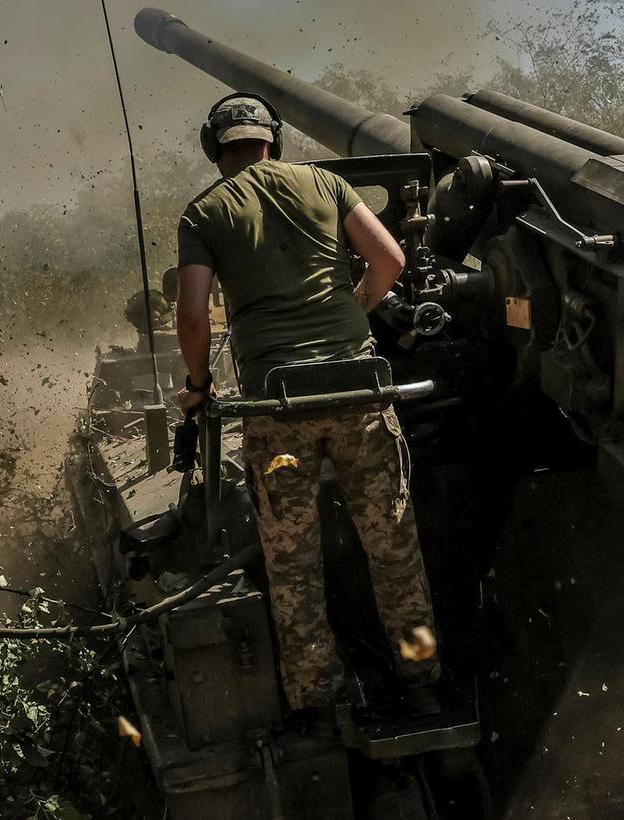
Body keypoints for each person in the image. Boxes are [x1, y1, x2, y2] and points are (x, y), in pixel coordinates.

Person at [172, 92, 436, 716]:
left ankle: (318, 699)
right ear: (274, 139)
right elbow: (390, 259)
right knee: (395, 547)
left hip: (277, 408)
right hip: (360, 390)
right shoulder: (323, 182)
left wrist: (199, 388)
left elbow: (191, 318)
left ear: (216, 148)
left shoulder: (203, 213)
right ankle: (422, 679)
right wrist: (358, 314)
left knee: (294, 564)